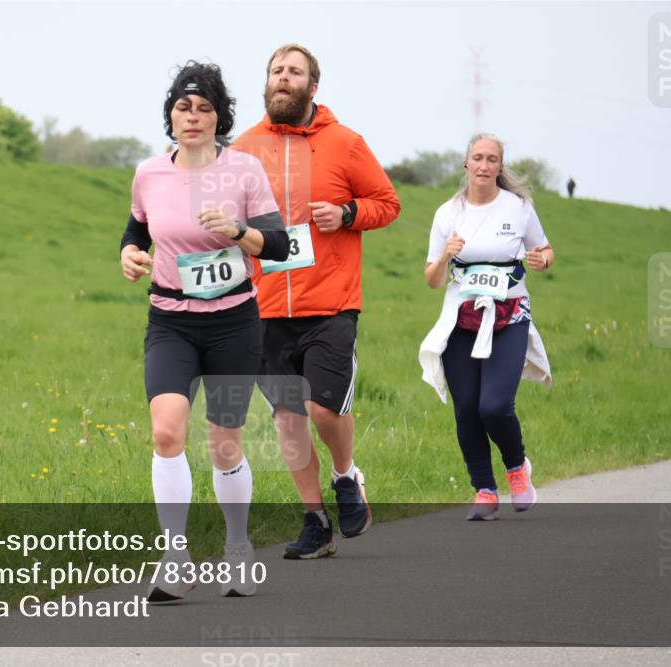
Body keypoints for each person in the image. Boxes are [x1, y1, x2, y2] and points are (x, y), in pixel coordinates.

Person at [120, 61, 288, 599]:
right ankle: (176, 558)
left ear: (220, 118)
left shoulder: (244, 172)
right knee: (166, 432)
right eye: (183, 107)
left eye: (204, 108)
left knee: (223, 444)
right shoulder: (149, 172)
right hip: (169, 320)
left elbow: (279, 245)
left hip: (233, 324)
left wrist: (239, 232)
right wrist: (128, 253)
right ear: (170, 116)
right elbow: (137, 228)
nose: (192, 117)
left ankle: (237, 548)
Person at [233, 44, 401, 558]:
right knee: (288, 419)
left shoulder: (345, 143)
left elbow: (388, 203)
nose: (284, 78)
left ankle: (347, 477)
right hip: (263, 307)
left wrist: (347, 213)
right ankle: (315, 522)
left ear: (313, 85)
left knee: (323, 410)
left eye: (294, 72)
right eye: (276, 71)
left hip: (330, 301)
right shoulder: (243, 148)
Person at [419, 133, 554, 521]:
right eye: (477, 158)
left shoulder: (518, 208)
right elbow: (431, 279)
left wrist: (542, 260)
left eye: (491, 159)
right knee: (466, 411)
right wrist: (446, 254)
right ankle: (484, 490)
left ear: (499, 166)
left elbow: (545, 249)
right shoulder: (448, 214)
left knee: (494, 406)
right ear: (466, 164)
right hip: (460, 319)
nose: (483, 165)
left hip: (509, 315)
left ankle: (516, 469)